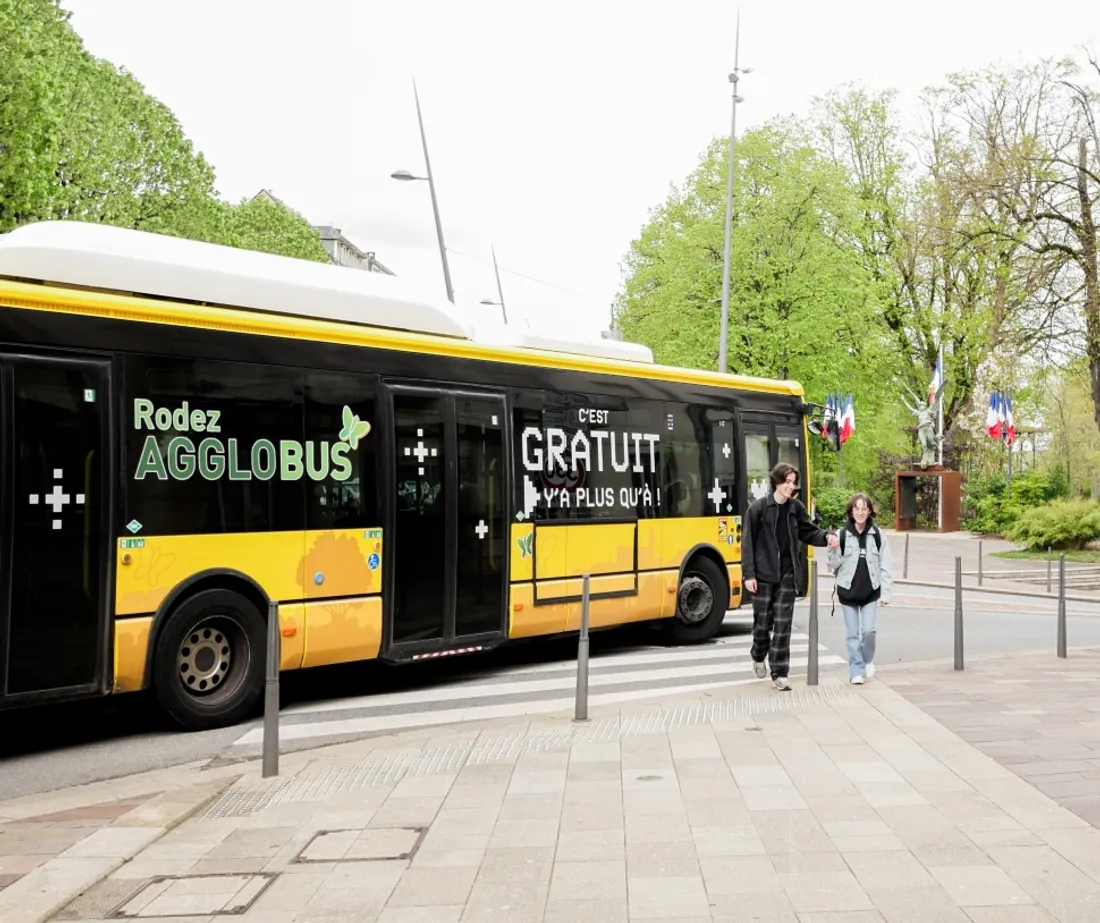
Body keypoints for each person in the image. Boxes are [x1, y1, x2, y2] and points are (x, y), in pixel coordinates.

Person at [741, 463, 838, 691]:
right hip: (763, 576)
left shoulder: (796, 508)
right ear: (776, 481)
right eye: (786, 481)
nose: (790, 486)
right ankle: (758, 655)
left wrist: (827, 537)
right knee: (762, 626)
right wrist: (749, 574)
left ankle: (780, 673)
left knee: (783, 626)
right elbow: (747, 543)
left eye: (793, 482)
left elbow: (809, 531)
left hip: (787, 575)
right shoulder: (758, 508)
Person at [826, 492, 893, 685]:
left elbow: (886, 566)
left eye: (864, 508)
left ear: (870, 511)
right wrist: (833, 548)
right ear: (851, 511)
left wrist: (886, 593)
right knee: (852, 634)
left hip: (871, 591)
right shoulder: (841, 534)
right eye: (857, 508)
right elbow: (832, 564)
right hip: (848, 591)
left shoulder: (878, 536)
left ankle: (867, 660)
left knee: (869, 631)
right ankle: (856, 669)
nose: (861, 512)